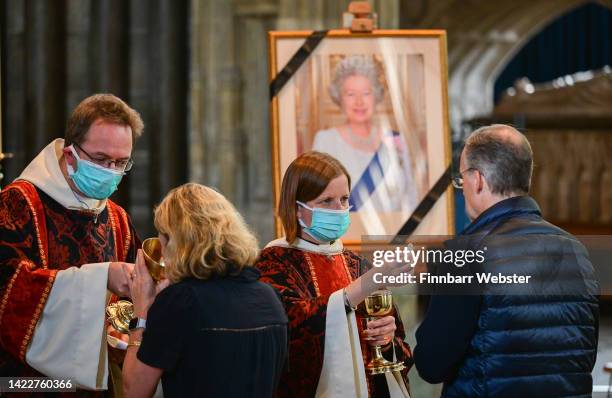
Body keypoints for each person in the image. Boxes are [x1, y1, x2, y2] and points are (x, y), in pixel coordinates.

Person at [413, 124, 599, 397]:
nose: (462, 187)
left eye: (461, 178)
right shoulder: (576, 250)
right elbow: (582, 356)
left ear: (477, 180)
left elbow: (431, 364)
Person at [0, 94, 143, 390]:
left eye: (121, 163)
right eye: (102, 160)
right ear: (70, 154)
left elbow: (132, 299)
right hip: (26, 383)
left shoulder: (117, 218)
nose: (111, 171)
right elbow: (8, 290)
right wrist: (102, 277)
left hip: (99, 380)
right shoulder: (19, 204)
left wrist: (124, 328)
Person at [255, 151, 413, 398]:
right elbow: (293, 330)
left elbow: (398, 343)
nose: (339, 209)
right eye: (327, 201)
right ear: (297, 208)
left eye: (344, 199)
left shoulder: (355, 263)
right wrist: (358, 290)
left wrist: (387, 339)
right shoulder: (274, 262)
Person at [122, 183, 288, 398]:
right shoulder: (269, 295)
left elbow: (134, 390)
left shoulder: (181, 301)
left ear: (176, 242)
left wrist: (142, 312)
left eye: (162, 239)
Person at [312, 55, 418, 215]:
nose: (359, 101)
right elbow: (316, 200)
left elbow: (410, 196)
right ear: (339, 98)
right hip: (342, 236)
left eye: (366, 93)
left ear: (376, 96)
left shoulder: (395, 140)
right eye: (350, 94)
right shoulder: (325, 141)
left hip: (392, 235)